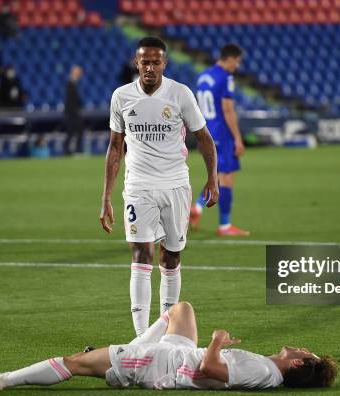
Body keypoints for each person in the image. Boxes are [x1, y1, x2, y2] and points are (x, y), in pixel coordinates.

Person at [99, 37, 219, 337]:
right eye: (144, 62)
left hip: (175, 185)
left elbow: (204, 138)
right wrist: (106, 197)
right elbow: (115, 148)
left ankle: (164, 333)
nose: (150, 68)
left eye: (156, 62)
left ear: (164, 63)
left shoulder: (180, 94)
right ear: (136, 63)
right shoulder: (122, 97)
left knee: (171, 256)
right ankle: (141, 338)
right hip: (138, 186)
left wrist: (212, 178)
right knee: (141, 254)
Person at [0, 301, 337, 391]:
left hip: (159, 363)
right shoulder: (268, 371)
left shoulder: (263, 370)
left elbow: (210, 369)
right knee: (181, 309)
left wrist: (216, 341)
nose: (300, 348)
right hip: (176, 356)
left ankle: (4, 380)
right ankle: (122, 351)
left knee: (75, 363)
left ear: (298, 366)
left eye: (305, 354)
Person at [190, 44, 250, 236]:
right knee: (227, 177)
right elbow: (227, 109)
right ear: (230, 58)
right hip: (222, 132)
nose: (237, 66)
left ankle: (197, 207)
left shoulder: (203, 76)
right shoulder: (226, 77)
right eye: (237, 61)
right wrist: (238, 138)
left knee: (217, 174)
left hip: (205, 131)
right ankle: (224, 225)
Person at [64, 65, 84, 155]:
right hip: (71, 112)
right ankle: (72, 150)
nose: (80, 74)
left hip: (73, 112)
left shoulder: (73, 84)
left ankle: (74, 149)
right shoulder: (70, 84)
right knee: (72, 131)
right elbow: (70, 99)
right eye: (78, 72)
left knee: (75, 131)